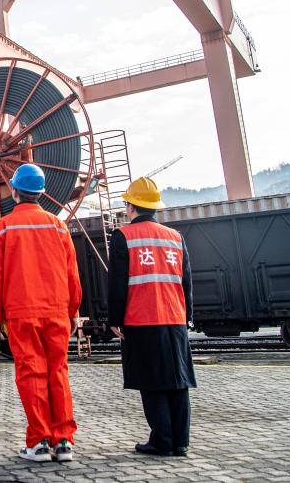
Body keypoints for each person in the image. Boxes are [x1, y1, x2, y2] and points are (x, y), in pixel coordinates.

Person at [0, 163, 82, 463]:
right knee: (58, 372)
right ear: (41, 192)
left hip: (21, 312)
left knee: (31, 373)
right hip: (56, 311)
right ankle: (64, 441)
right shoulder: (59, 226)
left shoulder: (3, 227)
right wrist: (73, 310)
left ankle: (39, 442)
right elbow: (72, 273)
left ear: (15, 191)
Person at [107, 176, 195, 457]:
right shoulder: (175, 237)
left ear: (131, 207)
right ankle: (180, 442)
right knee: (178, 380)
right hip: (175, 317)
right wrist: (187, 316)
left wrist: (115, 319)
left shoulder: (123, 236)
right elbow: (186, 282)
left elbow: (117, 283)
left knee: (152, 381)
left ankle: (162, 441)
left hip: (141, 319)